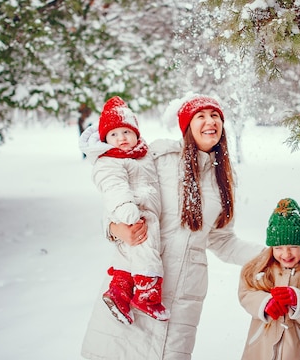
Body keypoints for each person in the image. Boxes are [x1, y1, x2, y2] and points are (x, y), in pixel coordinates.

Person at [80, 94, 264, 359]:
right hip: (135, 281)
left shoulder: (224, 179)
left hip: (184, 295)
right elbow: (116, 194)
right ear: (187, 125)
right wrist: (114, 228)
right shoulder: (159, 157)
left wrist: (268, 255)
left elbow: (222, 240)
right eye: (200, 116)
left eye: (215, 116)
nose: (210, 121)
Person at [79, 96, 168, 324]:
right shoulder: (109, 160)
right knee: (145, 248)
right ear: (106, 139)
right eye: (114, 134)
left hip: (138, 213)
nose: (121, 138)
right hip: (134, 215)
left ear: (136, 133)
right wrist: (127, 211)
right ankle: (147, 293)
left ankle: (119, 292)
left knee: (127, 256)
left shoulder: (142, 154)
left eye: (126, 132)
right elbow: (114, 188)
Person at [238, 197, 300, 360]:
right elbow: (245, 293)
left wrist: (299, 300)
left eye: (294, 247)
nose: (286, 254)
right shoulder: (261, 269)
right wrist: (265, 303)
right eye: (278, 247)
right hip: (260, 348)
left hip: (294, 350)